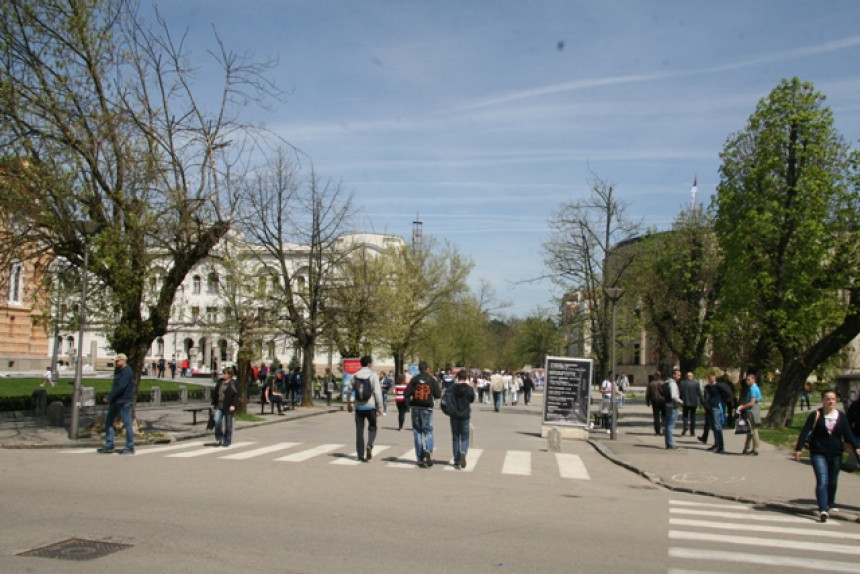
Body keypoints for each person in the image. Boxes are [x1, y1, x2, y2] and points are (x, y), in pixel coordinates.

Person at [794, 390, 860, 523]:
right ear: (823, 400)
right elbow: (805, 431)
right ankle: (823, 509)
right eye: (828, 399)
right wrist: (799, 448)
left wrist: (857, 447)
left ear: (836, 401)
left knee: (833, 480)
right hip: (818, 452)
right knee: (822, 479)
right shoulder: (816, 414)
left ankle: (831, 502)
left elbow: (848, 434)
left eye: (833, 399)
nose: (830, 401)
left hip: (836, 453)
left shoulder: (840, 417)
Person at [404, 361, 441, 467]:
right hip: (427, 408)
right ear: (427, 369)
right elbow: (438, 394)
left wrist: (408, 405)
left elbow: (407, 393)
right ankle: (428, 449)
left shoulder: (414, 379)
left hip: (415, 407)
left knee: (417, 431)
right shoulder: (432, 380)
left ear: (419, 369)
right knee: (428, 430)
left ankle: (420, 457)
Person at [98, 353, 135, 454]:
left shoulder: (127, 371)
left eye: (117, 361)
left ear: (123, 361)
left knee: (127, 423)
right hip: (116, 400)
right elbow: (116, 386)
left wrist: (109, 396)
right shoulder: (119, 370)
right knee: (108, 420)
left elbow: (121, 386)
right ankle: (109, 444)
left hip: (124, 401)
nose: (115, 363)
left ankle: (130, 446)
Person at [347, 356, 383, 462]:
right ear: (369, 364)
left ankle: (360, 455)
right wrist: (380, 407)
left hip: (359, 407)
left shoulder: (355, 375)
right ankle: (369, 444)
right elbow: (377, 393)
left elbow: (349, 390)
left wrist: (349, 404)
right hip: (370, 406)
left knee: (359, 431)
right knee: (373, 427)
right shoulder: (373, 375)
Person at [445, 370, 476, 469]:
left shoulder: (452, 388)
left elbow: (446, 398)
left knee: (455, 437)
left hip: (454, 414)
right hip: (465, 414)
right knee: (465, 437)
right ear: (466, 378)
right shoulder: (469, 389)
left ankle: (457, 460)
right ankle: (463, 451)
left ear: (457, 377)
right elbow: (472, 399)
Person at [700, 372, 731, 453]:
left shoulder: (718, 386)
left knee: (717, 426)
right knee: (713, 426)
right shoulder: (708, 387)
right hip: (710, 407)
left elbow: (728, 394)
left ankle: (721, 445)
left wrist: (721, 400)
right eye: (709, 378)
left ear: (715, 378)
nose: (711, 379)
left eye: (712, 378)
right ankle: (716, 443)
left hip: (716, 407)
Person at [211, 367, 238, 447]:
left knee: (228, 425)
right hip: (219, 405)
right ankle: (219, 437)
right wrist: (213, 403)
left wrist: (233, 405)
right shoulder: (220, 382)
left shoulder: (234, 383)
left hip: (228, 406)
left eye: (225, 373)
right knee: (217, 422)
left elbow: (236, 395)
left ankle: (227, 440)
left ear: (229, 375)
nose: (223, 375)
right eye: (223, 373)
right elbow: (215, 393)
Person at [737, 372, 762, 455]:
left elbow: (752, 402)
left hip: (752, 410)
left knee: (753, 430)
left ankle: (756, 449)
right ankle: (746, 448)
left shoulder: (753, 389)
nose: (747, 381)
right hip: (752, 409)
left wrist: (742, 407)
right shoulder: (755, 388)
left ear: (753, 380)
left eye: (748, 379)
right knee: (750, 430)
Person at [679, 371, 701, 436]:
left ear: (686, 376)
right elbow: (699, 393)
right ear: (692, 376)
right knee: (693, 417)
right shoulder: (696, 383)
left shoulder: (682, 382)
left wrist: (680, 399)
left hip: (685, 402)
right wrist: (703, 401)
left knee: (685, 415)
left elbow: (680, 392)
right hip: (694, 402)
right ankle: (692, 431)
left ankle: (685, 426)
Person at [664, 369, 682, 449]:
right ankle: (670, 443)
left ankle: (668, 442)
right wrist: (681, 402)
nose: (679, 377)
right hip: (673, 406)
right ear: (674, 375)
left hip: (668, 404)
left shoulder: (667, 382)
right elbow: (674, 396)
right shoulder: (673, 384)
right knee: (670, 425)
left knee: (668, 425)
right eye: (678, 375)